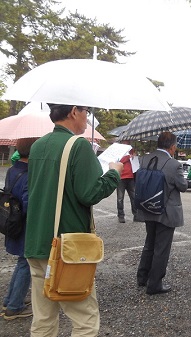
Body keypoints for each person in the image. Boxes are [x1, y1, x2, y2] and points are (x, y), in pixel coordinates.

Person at [25, 104, 123, 336]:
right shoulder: (78, 145)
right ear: (73, 111)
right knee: (85, 319)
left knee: (43, 319)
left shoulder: (38, 145)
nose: (86, 119)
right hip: (66, 248)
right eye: (86, 113)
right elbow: (90, 193)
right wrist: (114, 172)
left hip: (37, 243)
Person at [136, 132, 188, 295]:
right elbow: (183, 186)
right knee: (161, 248)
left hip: (147, 207)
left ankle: (142, 277)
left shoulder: (144, 159)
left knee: (149, 243)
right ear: (172, 147)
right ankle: (155, 284)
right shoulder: (174, 164)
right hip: (166, 211)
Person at [2, 138, 37, 320]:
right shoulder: (30, 174)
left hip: (12, 222)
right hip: (24, 226)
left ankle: (10, 300)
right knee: (26, 263)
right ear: (33, 153)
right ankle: (15, 306)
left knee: (22, 262)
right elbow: (29, 204)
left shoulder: (12, 169)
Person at [116, 140, 137, 223]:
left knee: (134, 196)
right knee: (120, 198)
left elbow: (134, 161)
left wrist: (134, 155)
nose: (127, 143)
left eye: (128, 142)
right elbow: (118, 161)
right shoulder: (118, 151)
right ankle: (121, 215)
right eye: (125, 142)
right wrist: (128, 157)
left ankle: (136, 214)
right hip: (121, 177)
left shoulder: (131, 150)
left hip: (130, 176)